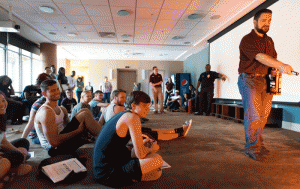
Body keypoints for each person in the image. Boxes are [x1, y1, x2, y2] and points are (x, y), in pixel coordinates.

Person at [238, 9, 294, 160]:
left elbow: (271, 59)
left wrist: (276, 69)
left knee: (263, 116)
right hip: (250, 79)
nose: (267, 23)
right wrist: (282, 65)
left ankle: (258, 144)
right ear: (254, 21)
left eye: (269, 21)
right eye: (263, 20)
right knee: (254, 115)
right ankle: (252, 147)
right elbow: (260, 57)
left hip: (266, 80)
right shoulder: (247, 39)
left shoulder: (269, 41)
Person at [93, 91, 164, 187]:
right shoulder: (133, 118)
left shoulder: (124, 113)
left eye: (148, 107)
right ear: (133, 106)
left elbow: (132, 150)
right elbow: (140, 154)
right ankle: (130, 177)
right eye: (144, 107)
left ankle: (133, 177)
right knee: (157, 160)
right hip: (106, 173)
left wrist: (141, 144)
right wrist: (151, 149)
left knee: (156, 173)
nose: (147, 110)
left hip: (102, 168)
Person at [34, 80, 102, 157]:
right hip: (54, 149)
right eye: (52, 90)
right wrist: (78, 131)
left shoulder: (61, 108)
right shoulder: (46, 112)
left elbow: (68, 127)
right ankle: (106, 140)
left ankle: (104, 138)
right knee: (85, 114)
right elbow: (54, 142)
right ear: (44, 94)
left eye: (57, 89)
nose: (57, 92)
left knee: (84, 111)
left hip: (63, 141)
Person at [99, 89, 192, 141]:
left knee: (151, 130)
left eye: (125, 97)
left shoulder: (108, 107)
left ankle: (179, 130)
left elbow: (101, 123)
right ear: (115, 98)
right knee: (152, 133)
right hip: (126, 135)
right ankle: (179, 133)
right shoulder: (118, 108)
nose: (124, 99)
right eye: (122, 97)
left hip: (123, 133)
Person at [0, 91, 32, 187]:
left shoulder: (1, 118)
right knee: (8, 161)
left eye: (3, 100)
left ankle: (9, 172)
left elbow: (3, 141)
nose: (2, 104)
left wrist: (20, 153)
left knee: (23, 142)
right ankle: (10, 171)